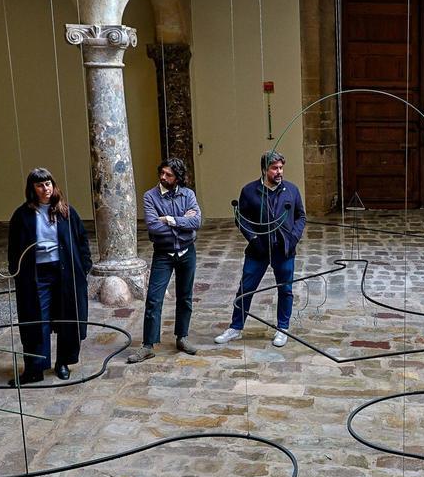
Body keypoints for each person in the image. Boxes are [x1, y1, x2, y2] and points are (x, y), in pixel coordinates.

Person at [7, 168, 92, 384]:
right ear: (32, 189)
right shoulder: (22, 214)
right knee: (36, 319)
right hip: (36, 274)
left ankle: (63, 362)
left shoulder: (66, 211)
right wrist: (15, 270)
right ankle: (34, 368)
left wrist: (84, 266)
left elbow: (82, 240)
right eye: (39, 185)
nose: (45, 189)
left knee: (67, 317)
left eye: (48, 184)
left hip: (65, 271)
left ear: (53, 185)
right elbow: (14, 246)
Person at [215, 150, 306, 347]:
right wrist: (254, 238)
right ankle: (235, 328)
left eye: (281, 168)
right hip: (258, 250)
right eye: (274, 168)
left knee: (285, 289)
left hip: (284, 250)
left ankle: (282, 329)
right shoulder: (249, 191)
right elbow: (241, 218)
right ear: (264, 169)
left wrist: (294, 237)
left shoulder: (292, 190)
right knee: (246, 288)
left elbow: (301, 216)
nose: (279, 172)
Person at [128, 158, 201, 363]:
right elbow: (153, 226)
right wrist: (183, 221)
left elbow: (197, 221)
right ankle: (148, 345)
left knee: (185, 296)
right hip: (163, 253)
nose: (163, 177)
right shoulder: (150, 196)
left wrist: (169, 219)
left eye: (168, 174)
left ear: (177, 177)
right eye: (162, 173)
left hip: (187, 251)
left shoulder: (188, 194)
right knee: (154, 298)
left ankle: (182, 337)